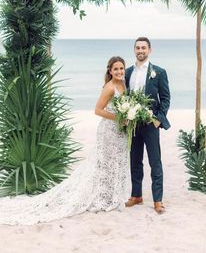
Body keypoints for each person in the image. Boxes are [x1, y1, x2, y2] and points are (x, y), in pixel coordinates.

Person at [0, 56, 129, 225]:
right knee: (105, 164)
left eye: (121, 68)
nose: (119, 71)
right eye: (116, 69)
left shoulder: (123, 84)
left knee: (117, 162)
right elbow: (98, 110)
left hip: (121, 132)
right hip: (108, 131)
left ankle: (114, 197)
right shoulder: (110, 87)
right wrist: (118, 117)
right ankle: (103, 198)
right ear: (110, 71)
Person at [125, 37, 170, 214]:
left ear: (149, 50)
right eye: (137, 48)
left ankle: (158, 200)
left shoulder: (158, 72)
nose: (140, 50)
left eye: (143, 48)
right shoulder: (127, 72)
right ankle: (136, 195)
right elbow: (124, 97)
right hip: (133, 124)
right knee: (135, 161)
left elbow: (165, 98)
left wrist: (159, 118)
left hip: (151, 124)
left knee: (155, 162)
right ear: (134, 50)